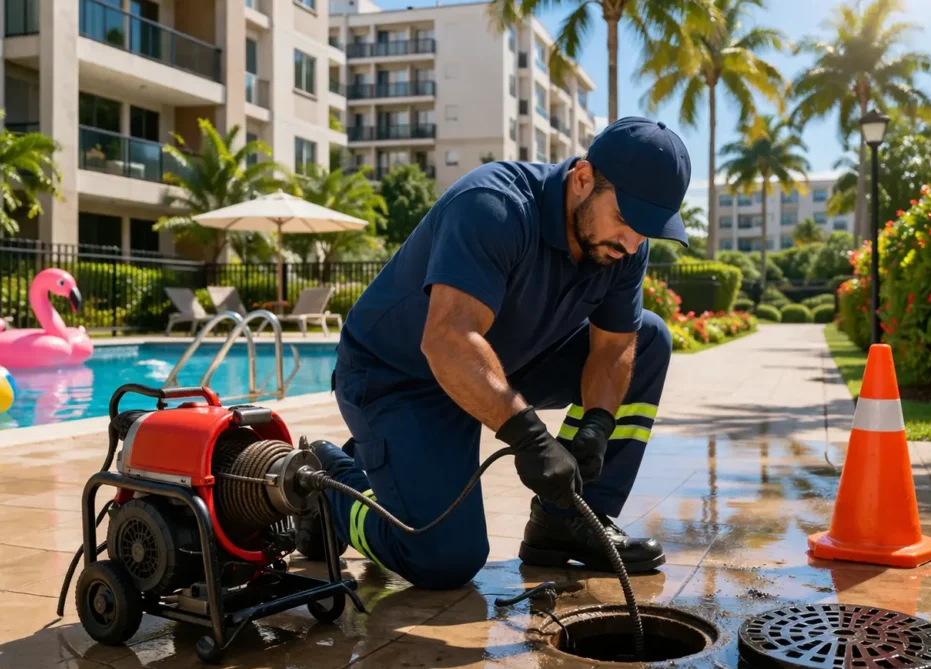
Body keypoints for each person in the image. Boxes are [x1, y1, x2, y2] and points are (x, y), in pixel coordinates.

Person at [296, 116, 691, 590]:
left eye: (648, 229)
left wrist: (597, 427)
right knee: (442, 558)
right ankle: (334, 484)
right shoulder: (493, 205)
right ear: (583, 179)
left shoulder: (623, 247)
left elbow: (614, 348)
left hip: (503, 362)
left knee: (648, 337)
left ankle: (566, 524)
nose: (633, 243)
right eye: (627, 220)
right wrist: (530, 439)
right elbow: (448, 341)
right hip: (399, 378)